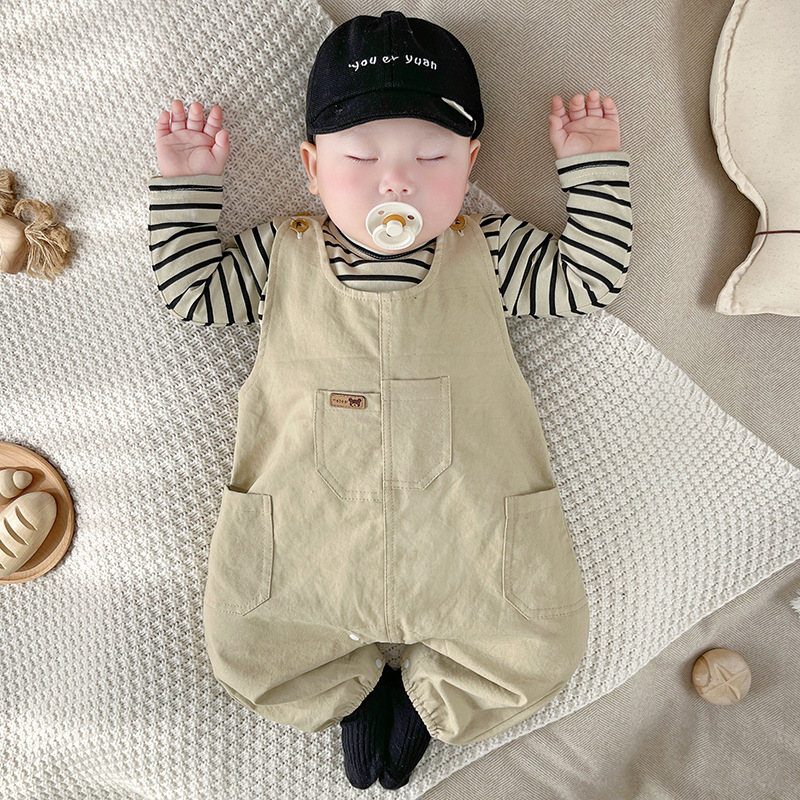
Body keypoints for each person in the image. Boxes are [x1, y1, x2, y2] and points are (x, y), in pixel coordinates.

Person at [148, 10, 632, 791]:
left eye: (431, 156)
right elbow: (192, 293)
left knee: (543, 640)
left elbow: (590, 279)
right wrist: (190, 183)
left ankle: (431, 703)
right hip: (309, 534)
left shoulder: (489, 251)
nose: (397, 180)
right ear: (312, 167)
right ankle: (348, 698)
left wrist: (591, 164)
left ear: (470, 162)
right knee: (246, 644)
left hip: (470, 533)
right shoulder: (281, 255)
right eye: (362, 156)